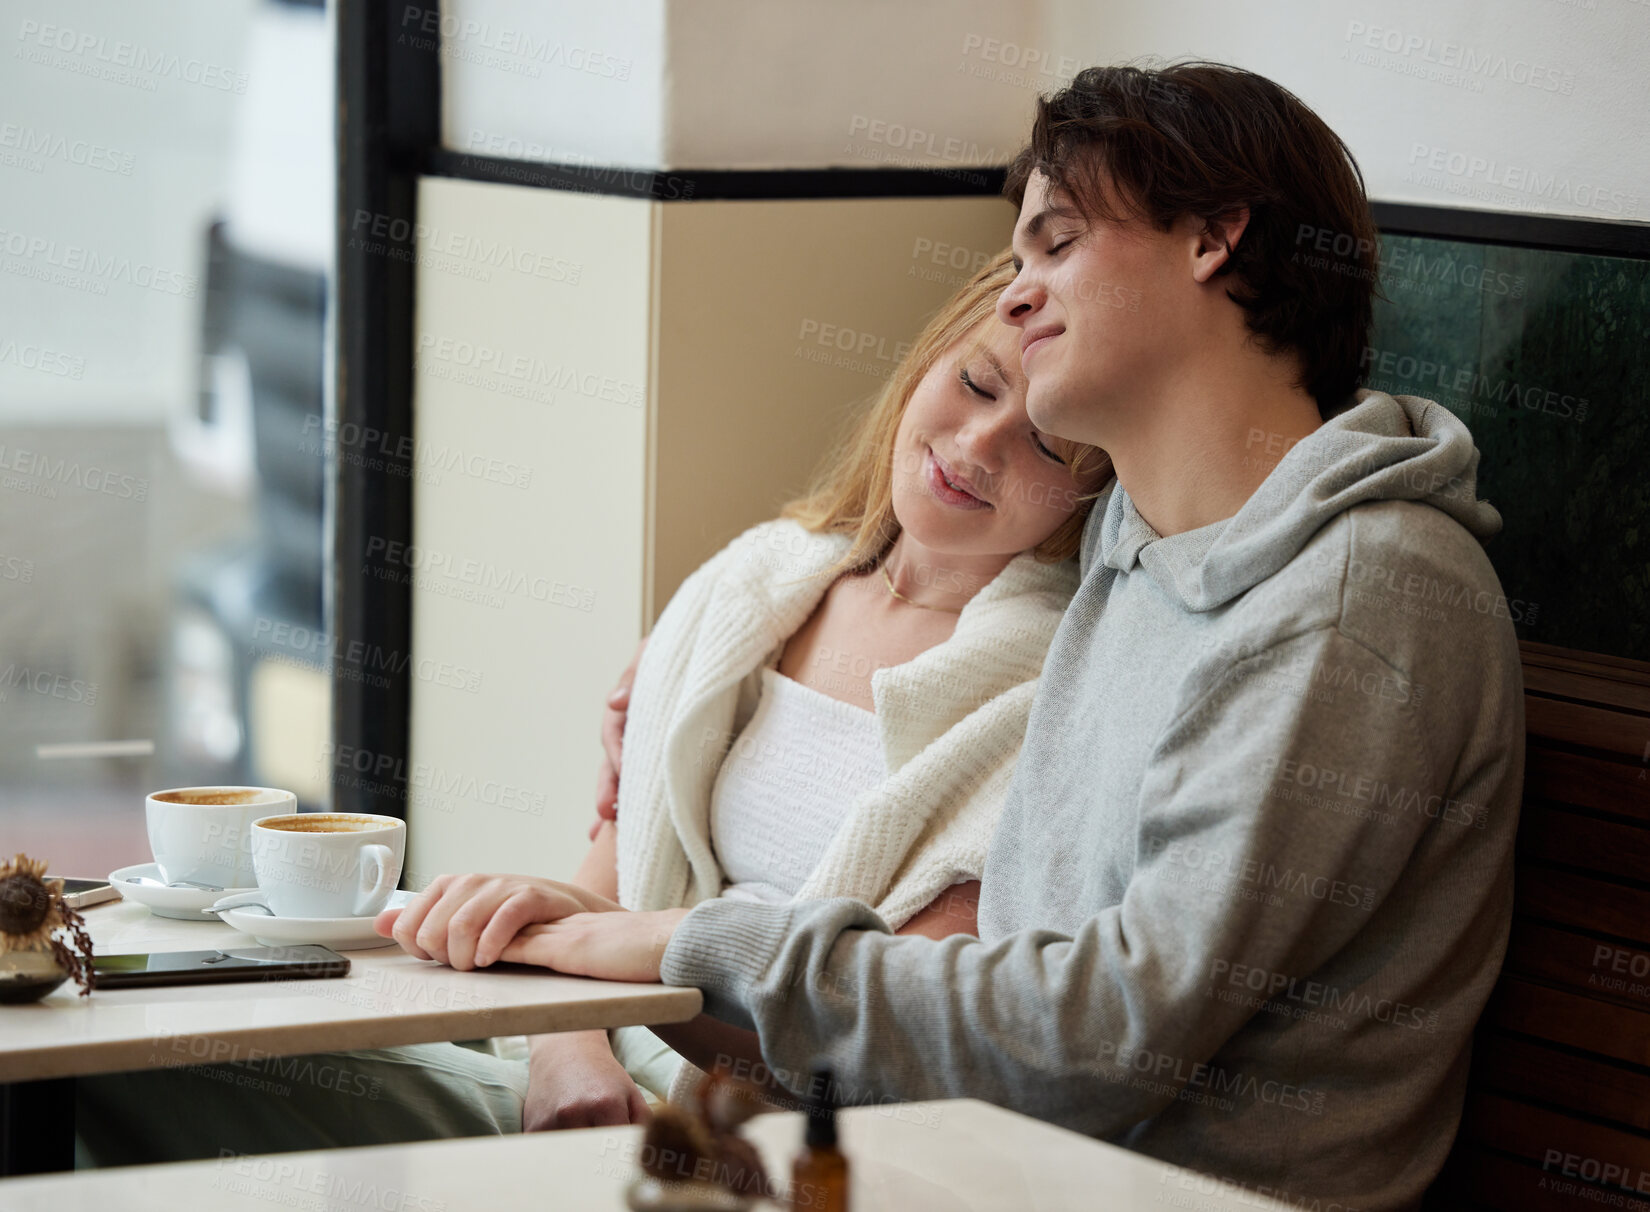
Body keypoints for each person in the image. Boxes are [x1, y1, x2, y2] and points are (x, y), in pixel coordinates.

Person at [393, 62, 1525, 1212]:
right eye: (1020, 258)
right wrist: (679, 686)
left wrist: (680, 944)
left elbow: (1107, 1035)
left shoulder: (1358, 599)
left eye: (1061, 241)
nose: (1020, 295)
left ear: (1215, 239)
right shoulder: (1147, 540)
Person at [74, 251, 1111, 1162]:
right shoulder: (756, 584)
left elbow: (884, 1033)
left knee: (145, 1078)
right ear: (926, 360)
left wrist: (599, 971)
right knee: (148, 1031)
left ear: (1096, 492)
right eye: (973, 382)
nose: (978, 445)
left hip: (738, 1132)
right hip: (578, 1046)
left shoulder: (1037, 699)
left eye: (1049, 449)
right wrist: (563, 1048)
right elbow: (607, 863)